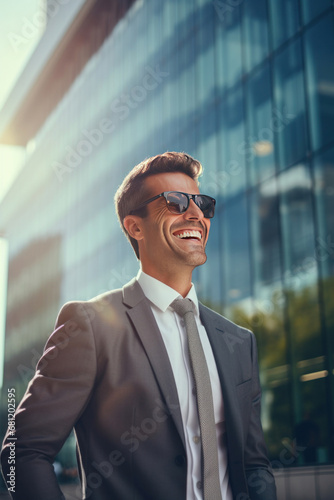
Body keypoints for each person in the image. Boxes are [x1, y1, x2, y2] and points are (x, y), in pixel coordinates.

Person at [1, 152, 277, 500]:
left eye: (203, 204)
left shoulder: (239, 341)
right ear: (134, 226)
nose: (195, 214)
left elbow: (254, 466)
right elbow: (21, 451)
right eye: (176, 202)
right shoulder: (90, 325)